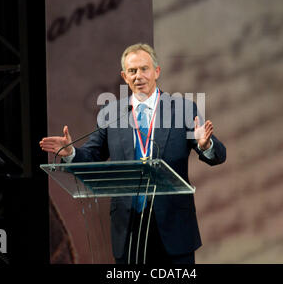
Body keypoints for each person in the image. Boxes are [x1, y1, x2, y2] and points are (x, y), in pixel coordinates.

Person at [40, 43, 226, 264]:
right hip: (128, 229)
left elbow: (218, 155)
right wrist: (70, 151)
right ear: (124, 76)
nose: (139, 75)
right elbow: (90, 157)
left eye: (144, 69)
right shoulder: (111, 113)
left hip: (173, 227)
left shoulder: (182, 110)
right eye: (132, 71)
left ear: (156, 71)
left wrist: (205, 145)